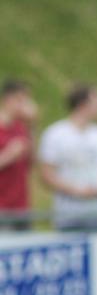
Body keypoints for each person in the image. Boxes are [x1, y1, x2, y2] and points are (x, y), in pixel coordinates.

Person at [38, 85, 97, 232]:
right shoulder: (56, 134)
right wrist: (76, 191)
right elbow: (46, 174)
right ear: (82, 105)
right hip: (70, 212)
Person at [0, 79, 38, 230]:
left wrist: (32, 126)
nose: (26, 106)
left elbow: (33, 162)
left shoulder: (21, 128)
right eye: (21, 100)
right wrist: (8, 155)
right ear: (8, 100)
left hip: (21, 207)